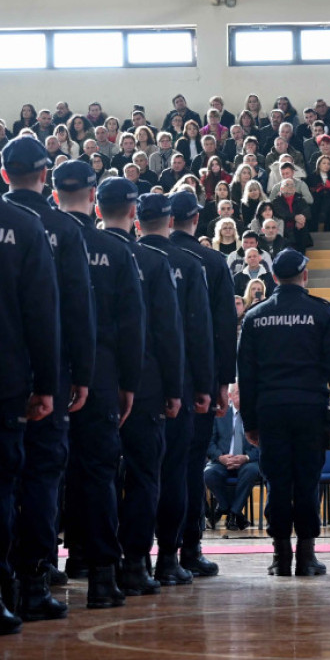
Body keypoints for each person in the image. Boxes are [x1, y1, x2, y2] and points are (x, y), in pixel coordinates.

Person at [2, 147, 95, 619]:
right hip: (38, 372)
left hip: (20, 369)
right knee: (40, 475)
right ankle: (34, 582)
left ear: (4, 174)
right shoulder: (56, 227)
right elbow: (71, 309)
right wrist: (79, 374)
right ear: (45, 175)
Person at [238, 248, 330, 576]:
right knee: (306, 481)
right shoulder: (323, 314)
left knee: (277, 482)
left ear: (273, 277)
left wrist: (249, 421)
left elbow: (245, 375)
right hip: (310, 410)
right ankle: (306, 556)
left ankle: (279, 557)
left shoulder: (255, 316)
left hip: (271, 411)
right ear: (305, 276)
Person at [62, 176, 145, 609]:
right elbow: (133, 326)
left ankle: (28, 578)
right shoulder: (116, 250)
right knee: (98, 474)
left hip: (48, 373)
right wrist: (128, 384)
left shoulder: (43, 235)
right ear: (92, 199)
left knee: (35, 476)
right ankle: (100, 576)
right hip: (100, 376)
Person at [104, 191, 184, 596]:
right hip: (146, 384)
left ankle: (96, 562)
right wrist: (174, 388)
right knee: (143, 476)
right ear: (132, 213)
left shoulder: (95, 251)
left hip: (96, 380)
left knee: (98, 475)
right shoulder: (154, 261)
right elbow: (168, 333)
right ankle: (134, 563)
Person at [0, 138, 60, 636]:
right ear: (44, 175)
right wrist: (47, 383)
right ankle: (16, 588)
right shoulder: (24, 225)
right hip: (7, 377)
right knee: (7, 483)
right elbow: (44, 314)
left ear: (4, 174)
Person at [140, 190, 215, 586]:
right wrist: (205, 386)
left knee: (132, 475)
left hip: (128, 382)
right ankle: (168, 558)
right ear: (170, 221)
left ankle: (128, 561)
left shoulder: (127, 255)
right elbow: (199, 334)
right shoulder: (188, 263)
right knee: (175, 473)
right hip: (178, 384)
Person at [169, 189, 237, 580]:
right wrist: (223, 382)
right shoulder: (211, 261)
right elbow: (224, 329)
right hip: (199, 380)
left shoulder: (143, 253)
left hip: (149, 380)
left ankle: (146, 552)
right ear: (196, 219)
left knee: (154, 467)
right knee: (191, 466)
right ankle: (189, 549)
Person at [204, 384, 261, 531]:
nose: (242, 396)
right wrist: (220, 457)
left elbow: (262, 446)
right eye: (238, 393)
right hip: (223, 461)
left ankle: (232, 511)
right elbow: (209, 443)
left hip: (247, 462)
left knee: (252, 471)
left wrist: (246, 457)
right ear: (229, 396)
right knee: (208, 473)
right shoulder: (219, 414)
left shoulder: (255, 415)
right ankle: (228, 508)